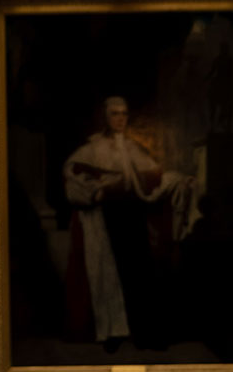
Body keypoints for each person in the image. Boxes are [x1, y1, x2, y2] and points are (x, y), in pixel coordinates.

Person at [63, 96, 198, 349]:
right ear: (105, 117)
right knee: (108, 273)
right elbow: (73, 180)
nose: (120, 118)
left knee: (140, 273)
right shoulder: (91, 150)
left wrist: (179, 180)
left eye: (124, 113)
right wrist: (96, 191)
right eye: (115, 114)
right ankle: (113, 333)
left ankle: (146, 335)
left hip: (132, 217)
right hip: (105, 219)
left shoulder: (134, 148)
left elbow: (152, 180)